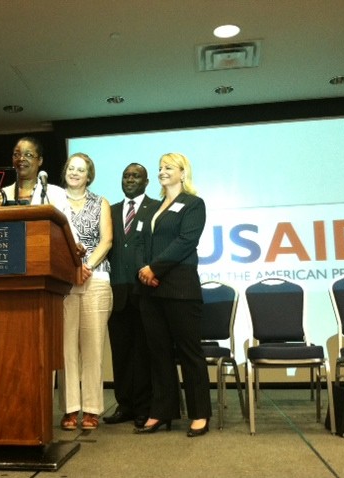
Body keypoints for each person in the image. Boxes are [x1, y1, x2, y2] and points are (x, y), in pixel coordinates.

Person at [133, 152, 211, 437]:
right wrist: (145, 268)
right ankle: (161, 411)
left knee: (190, 353)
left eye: (169, 167)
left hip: (180, 288)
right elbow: (140, 240)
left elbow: (186, 241)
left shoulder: (193, 204)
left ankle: (200, 413)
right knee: (158, 354)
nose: (162, 172)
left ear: (182, 172)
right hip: (150, 291)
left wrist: (155, 267)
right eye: (160, 168)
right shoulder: (152, 207)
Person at [58, 153, 113, 431]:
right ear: (64, 171)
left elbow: (107, 240)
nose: (75, 173)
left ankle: (91, 409)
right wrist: (71, 270)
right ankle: (70, 409)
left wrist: (86, 266)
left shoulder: (100, 202)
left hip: (96, 278)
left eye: (81, 169)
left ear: (89, 175)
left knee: (92, 348)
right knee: (66, 348)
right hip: (62, 282)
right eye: (71, 168)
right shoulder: (53, 201)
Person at [104, 164, 159, 429]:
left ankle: (144, 406)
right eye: (125, 175)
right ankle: (124, 404)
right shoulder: (111, 211)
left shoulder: (157, 208)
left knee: (144, 352)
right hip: (116, 291)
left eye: (135, 176)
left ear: (146, 182)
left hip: (146, 290)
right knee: (121, 352)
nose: (129, 180)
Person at [2, 136, 67, 210]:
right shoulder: (2, 194)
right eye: (17, 154)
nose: (21, 158)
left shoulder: (56, 193)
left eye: (28, 155)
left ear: (40, 161)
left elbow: (65, 221)